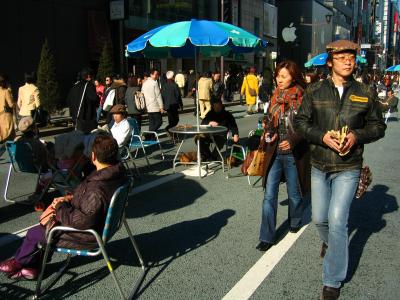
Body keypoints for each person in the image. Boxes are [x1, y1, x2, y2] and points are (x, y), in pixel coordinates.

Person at [294, 40, 386, 300]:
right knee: (319, 219)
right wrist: (321, 136)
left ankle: (332, 280)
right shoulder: (315, 91)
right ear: (330, 61)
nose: (348, 61)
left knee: (337, 220)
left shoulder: (365, 92)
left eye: (351, 57)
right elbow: (301, 122)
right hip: (320, 163)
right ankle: (333, 243)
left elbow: (378, 127)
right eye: (342, 57)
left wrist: (356, 136)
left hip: (349, 166)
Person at [0, 135, 128, 280]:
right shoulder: (116, 175)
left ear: (93, 156)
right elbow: (91, 206)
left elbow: (81, 221)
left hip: (88, 234)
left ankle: (20, 262)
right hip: (103, 225)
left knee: (35, 233)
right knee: (46, 226)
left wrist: (60, 207)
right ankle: (32, 267)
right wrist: (71, 198)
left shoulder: (97, 187)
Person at [256, 60, 308, 252]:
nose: (279, 79)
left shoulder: (303, 97)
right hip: (274, 151)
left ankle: (295, 220)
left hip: (294, 153)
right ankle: (266, 237)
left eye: (284, 76)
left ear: (293, 77)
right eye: (278, 75)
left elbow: (307, 126)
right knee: (269, 196)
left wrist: (293, 140)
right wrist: (270, 130)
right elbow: (269, 119)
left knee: (294, 195)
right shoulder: (274, 96)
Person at [66, 67, 98, 134]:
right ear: (89, 76)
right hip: (87, 119)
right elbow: (94, 99)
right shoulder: (89, 85)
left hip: (76, 118)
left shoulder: (74, 87)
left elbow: (68, 100)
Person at [141, 69, 164, 135]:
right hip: (154, 105)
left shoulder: (145, 83)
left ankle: (151, 137)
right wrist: (161, 106)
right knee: (159, 122)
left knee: (152, 122)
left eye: (157, 74)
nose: (157, 76)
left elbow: (142, 93)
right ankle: (148, 134)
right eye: (155, 74)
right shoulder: (154, 83)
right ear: (151, 75)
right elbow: (158, 95)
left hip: (148, 105)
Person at [0, 73, 15, 143]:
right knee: (10, 138)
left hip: (0, 117)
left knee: (2, 136)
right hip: (6, 116)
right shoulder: (6, 91)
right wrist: (10, 92)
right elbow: (11, 104)